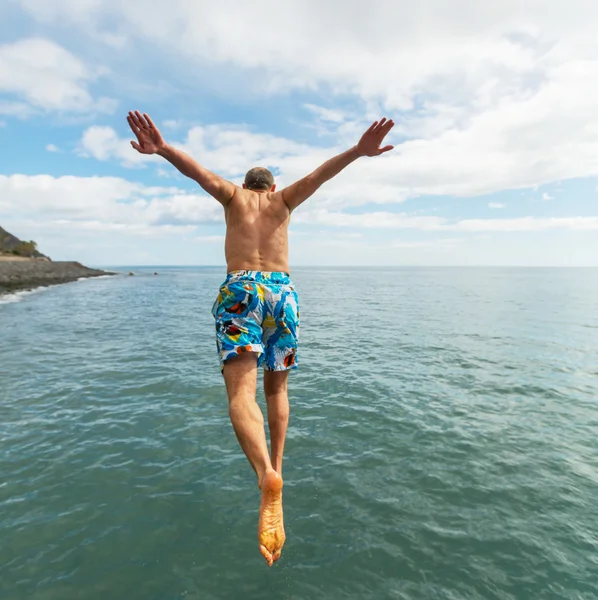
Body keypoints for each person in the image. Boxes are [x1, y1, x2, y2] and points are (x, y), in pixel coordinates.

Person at [127, 110, 395, 566]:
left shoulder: (232, 197)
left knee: (240, 392)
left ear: (245, 186)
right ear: (270, 188)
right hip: (282, 293)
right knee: (277, 388)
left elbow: (198, 173)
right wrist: (357, 151)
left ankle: (264, 475)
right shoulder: (284, 201)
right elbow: (319, 176)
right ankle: (280, 468)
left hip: (241, 291)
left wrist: (164, 149)